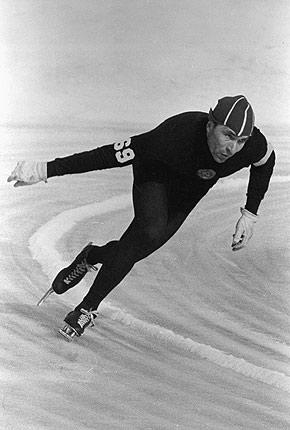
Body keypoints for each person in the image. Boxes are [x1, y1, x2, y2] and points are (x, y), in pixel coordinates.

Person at [7, 95, 275, 340]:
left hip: (191, 188)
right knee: (149, 231)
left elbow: (266, 160)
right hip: (155, 174)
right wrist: (44, 169)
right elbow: (104, 156)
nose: (232, 148)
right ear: (209, 125)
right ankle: (86, 309)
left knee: (138, 249)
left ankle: (92, 256)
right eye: (228, 136)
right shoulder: (172, 137)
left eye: (240, 141)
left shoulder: (251, 146)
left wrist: (250, 213)